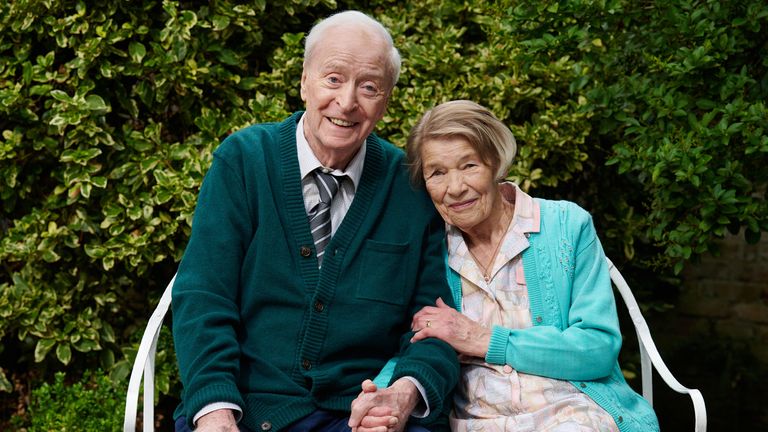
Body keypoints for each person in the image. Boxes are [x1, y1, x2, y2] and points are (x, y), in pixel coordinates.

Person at [171, 11, 459, 432]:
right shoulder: (244, 161)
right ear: (304, 79)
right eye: (333, 79)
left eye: (369, 87)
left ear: (387, 99)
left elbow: (435, 321)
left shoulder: (409, 186)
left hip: (364, 414)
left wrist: (403, 392)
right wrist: (215, 411)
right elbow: (203, 296)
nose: (346, 102)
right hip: (246, 409)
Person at [403, 100, 660, 431]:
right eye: (437, 172)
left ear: (495, 162)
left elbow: (597, 349)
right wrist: (387, 394)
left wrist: (483, 339)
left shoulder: (566, 225)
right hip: (476, 423)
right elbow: (406, 346)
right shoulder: (429, 248)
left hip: (573, 414)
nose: (455, 188)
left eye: (469, 166)